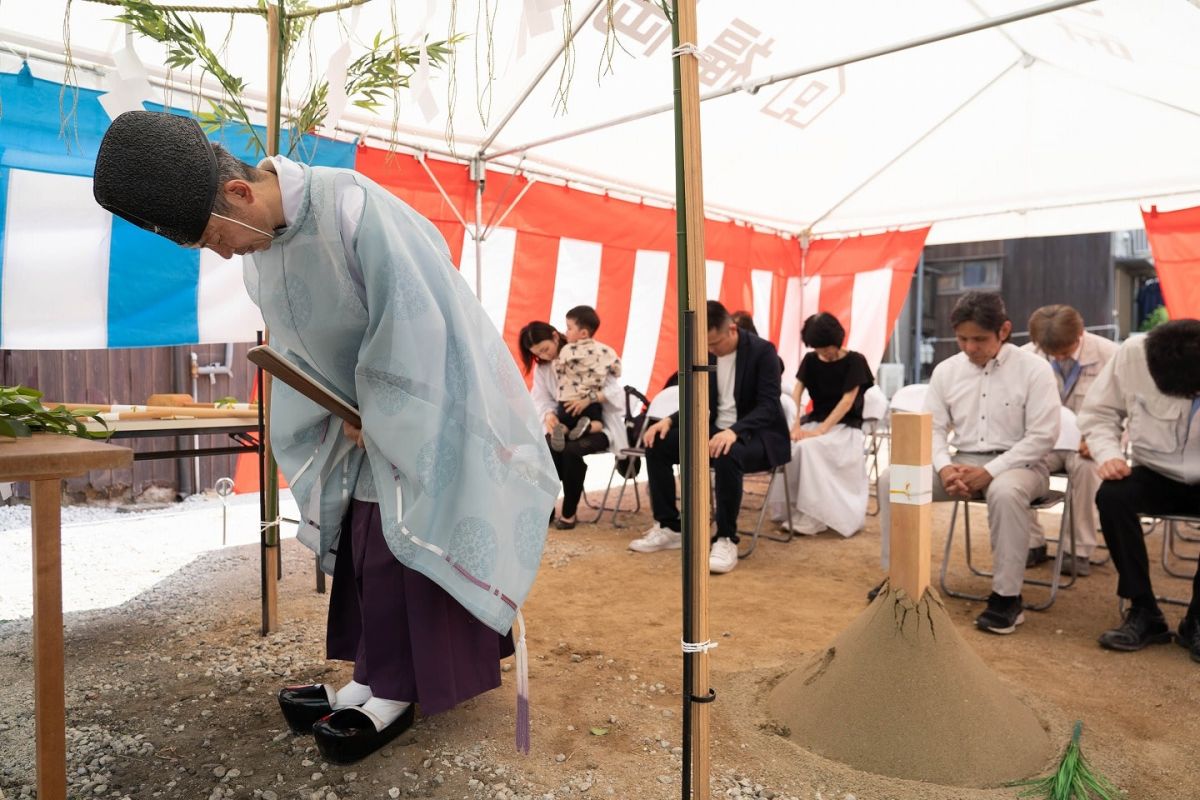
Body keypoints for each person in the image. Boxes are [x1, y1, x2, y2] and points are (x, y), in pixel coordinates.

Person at [92, 111, 557, 763]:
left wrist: (382, 406)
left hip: (422, 408)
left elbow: (421, 317)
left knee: (406, 546)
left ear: (239, 193)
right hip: (356, 423)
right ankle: (370, 675)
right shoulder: (262, 245)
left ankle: (397, 690)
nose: (224, 255)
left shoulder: (352, 207)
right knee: (366, 546)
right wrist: (335, 404)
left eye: (215, 239)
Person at [876, 292, 1059, 634]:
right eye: (962, 339)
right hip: (960, 461)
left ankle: (1007, 598)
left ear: (1004, 331)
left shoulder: (1035, 370)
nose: (970, 347)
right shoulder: (947, 371)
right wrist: (945, 467)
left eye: (979, 339)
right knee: (892, 480)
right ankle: (896, 581)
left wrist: (988, 472)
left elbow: (1043, 437)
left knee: (1004, 492)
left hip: (1023, 466)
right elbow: (932, 427)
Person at [629, 301, 790, 574]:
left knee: (725, 453)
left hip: (758, 436)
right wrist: (668, 420)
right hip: (716, 432)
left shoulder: (764, 352)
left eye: (715, 344)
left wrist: (734, 431)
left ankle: (726, 538)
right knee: (656, 443)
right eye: (707, 345)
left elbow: (769, 405)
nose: (711, 350)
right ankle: (671, 527)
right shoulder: (707, 353)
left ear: (732, 329)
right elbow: (698, 400)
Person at [1077, 319, 1200, 660]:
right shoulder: (1132, 355)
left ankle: (1198, 620)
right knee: (1112, 497)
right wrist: (1109, 455)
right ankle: (1143, 610)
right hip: (1156, 471)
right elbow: (1098, 413)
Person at [1021, 304, 1118, 575]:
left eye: (1065, 351)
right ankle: (1030, 542)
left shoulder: (1111, 355)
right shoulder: (1025, 358)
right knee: (1016, 467)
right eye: (1052, 353)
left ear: (1080, 334)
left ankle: (1077, 550)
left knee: (1088, 470)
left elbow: (1128, 409)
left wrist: (1102, 442)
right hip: (1042, 444)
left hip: (1088, 445)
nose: (1059, 357)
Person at [774, 312, 874, 537]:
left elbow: (847, 401)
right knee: (792, 447)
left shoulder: (855, 361)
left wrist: (821, 431)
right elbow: (797, 390)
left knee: (810, 448)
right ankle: (794, 509)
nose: (823, 353)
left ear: (837, 341)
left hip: (844, 427)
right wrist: (796, 425)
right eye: (818, 348)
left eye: (826, 347)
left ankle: (815, 516)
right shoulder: (810, 360)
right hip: (816, 422)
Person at [519, 320, 625, 530]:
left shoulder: (586, 356)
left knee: (570, 452)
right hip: (565, 423)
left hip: (600, 427)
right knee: (548, 450)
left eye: (545, 349)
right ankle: (546, 510)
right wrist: (549, 415)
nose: (544, 356)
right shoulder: (544, 368)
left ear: (555, 337)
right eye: (538, 354)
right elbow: (541, 399)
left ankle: (568, 512)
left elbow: (616, 392)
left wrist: (589, 399)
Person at [549, 306, 621, 452]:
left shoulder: (567, 350)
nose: (565, 332)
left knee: (565, 422)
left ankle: (561, 429)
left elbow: (558, 370)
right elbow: (617, 370)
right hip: (590, 400)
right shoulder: (607, 351)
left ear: (583, 333)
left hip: (566, 401)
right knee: (598, 423)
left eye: (569, 328)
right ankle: (587, 426)